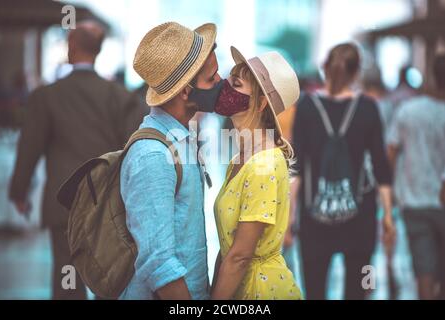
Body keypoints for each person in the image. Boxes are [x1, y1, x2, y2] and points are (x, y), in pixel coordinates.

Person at [8, 20, 146, 300]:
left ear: (71, 47)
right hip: (109, 205)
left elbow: (30, 147)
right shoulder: (119, 97)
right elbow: (133, 149)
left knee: (67, 280)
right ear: (98, 50)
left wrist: (19, 192)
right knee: (110, 276)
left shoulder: (47, 96)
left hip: (64, 204)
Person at [119, 22, 221, 300]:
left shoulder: (180, 138)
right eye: (212, 79)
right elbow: (158, 265)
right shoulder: (153, 156)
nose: (220, 82)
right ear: (186, 91)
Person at [292, 43, 396, 300]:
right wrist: (388, 217)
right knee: (362, 287)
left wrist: (288, 218)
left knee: (314, 291)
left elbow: (296, 167)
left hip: (313, 216)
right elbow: (381, 166)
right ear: (356, 72)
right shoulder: (369, 108)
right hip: (361, 217)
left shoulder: (306, 106)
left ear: (325, 67)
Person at [210, 47, 302, 300]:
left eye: (236, 84)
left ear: (261, 103)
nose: (225, 87)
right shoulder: (239, 158)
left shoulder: (264, 163)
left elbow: (240, 256)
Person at [387, 54, 445, 300]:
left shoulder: (409, 111)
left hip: (414, 202)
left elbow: (390, 153)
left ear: (431, 76)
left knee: (424, 272)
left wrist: (389, 197)